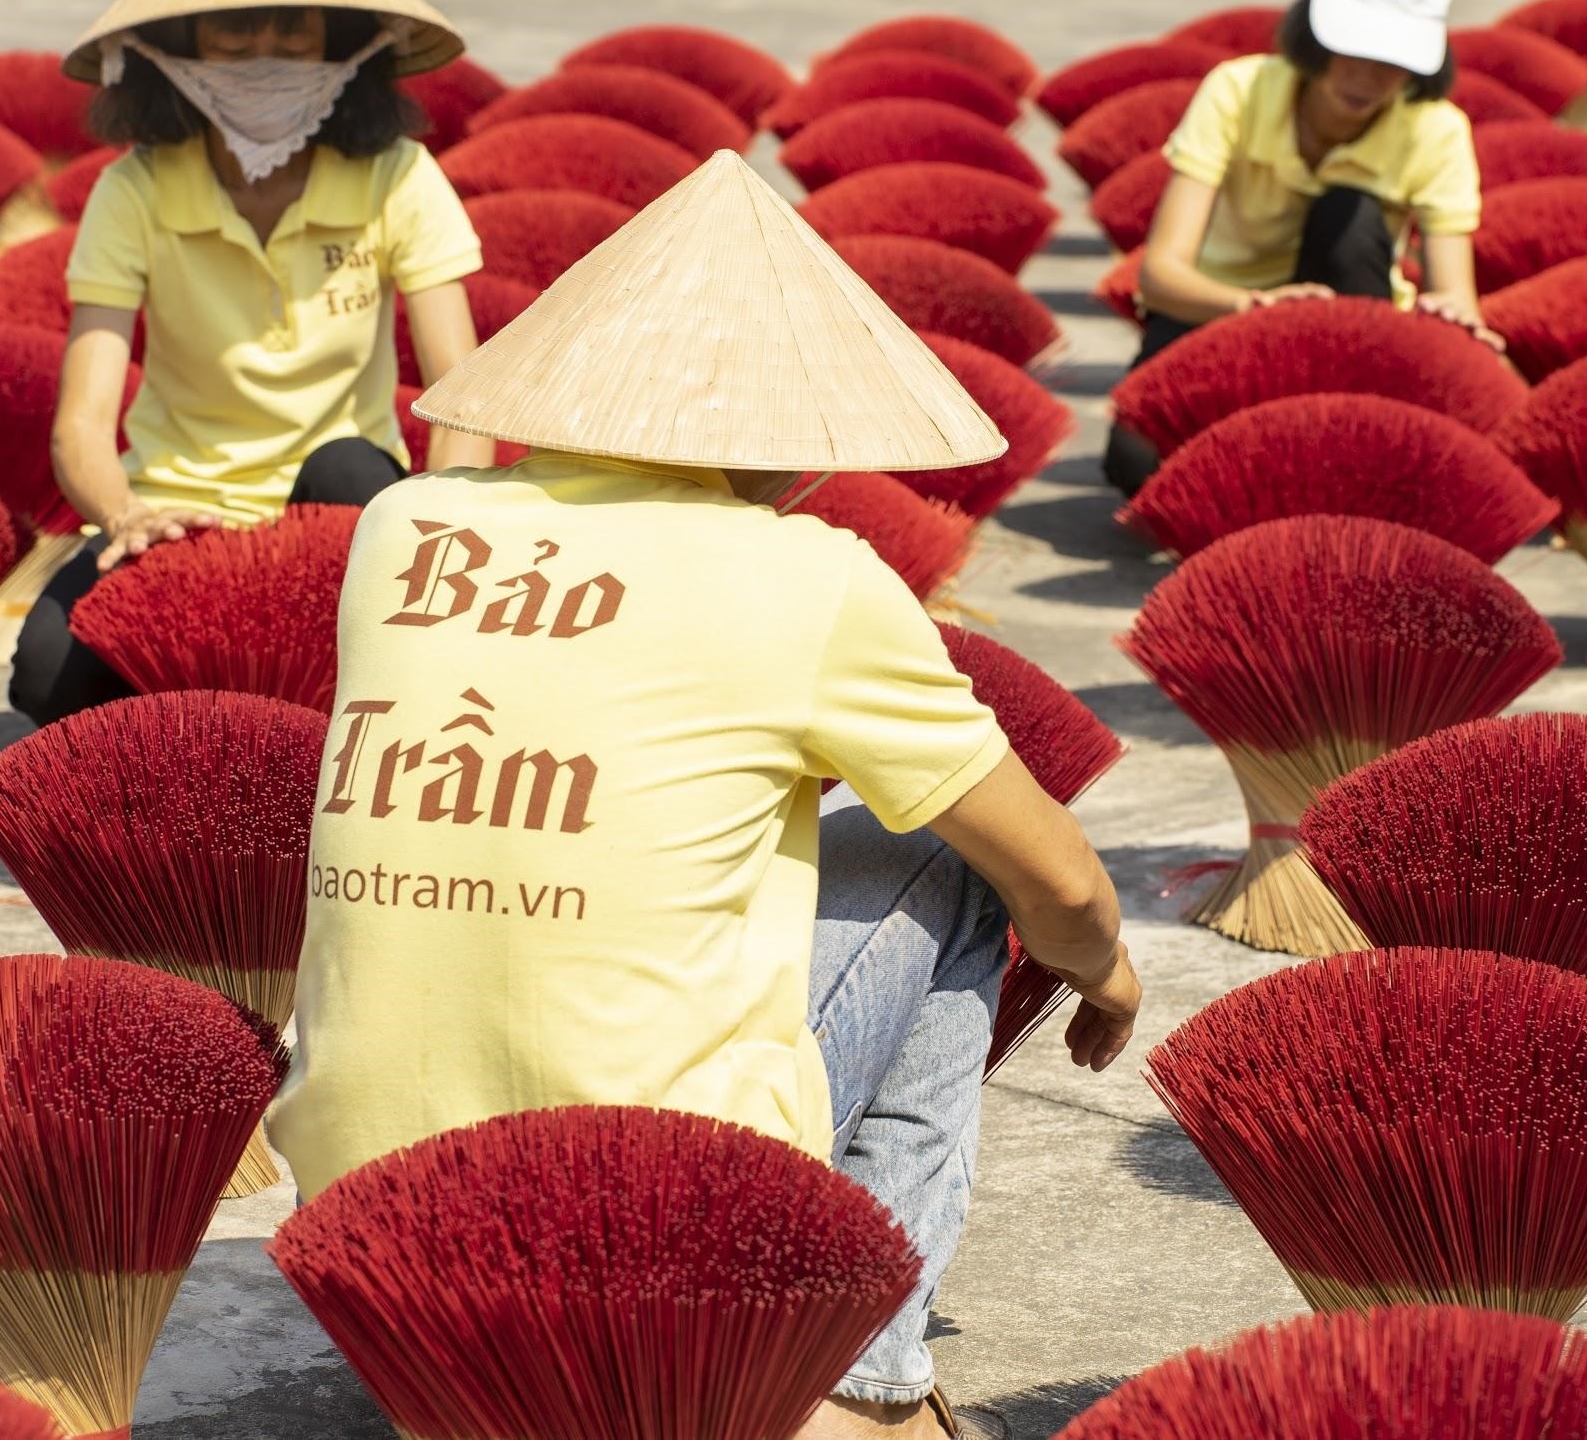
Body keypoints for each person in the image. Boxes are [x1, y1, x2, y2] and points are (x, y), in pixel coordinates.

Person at [267, 151, 1143, 1440]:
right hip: (657, 1221)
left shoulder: (404, 524)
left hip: (375, 1234)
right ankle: (866, 1390)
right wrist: (1106, 967)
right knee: (955, 866)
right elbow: (1057, 877)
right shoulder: (809, 577)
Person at [11, 0, 496, 727]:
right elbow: (80, 422)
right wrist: (126, 514)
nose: (265, 54)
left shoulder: (397, 176)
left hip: (339, 511)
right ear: (175, 50)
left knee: (350, 467)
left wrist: (438, 535)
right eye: (234, 32)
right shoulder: (135, 191)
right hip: (178, 506)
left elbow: (465, 393)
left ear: (343, 45)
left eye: (292, 30)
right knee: (45, 678)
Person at [1103, 0, 1484, 496]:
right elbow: (1161, 275)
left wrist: (1454, 318)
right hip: (1221, 306)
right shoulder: (1238, 90)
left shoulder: (1437, 129)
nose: (1367, 76)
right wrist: (1255, 307)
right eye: (1352, 48)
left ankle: (1344, 440)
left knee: (1348, 213)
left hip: (1354, 325)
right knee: (1137, 467)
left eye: (1393, 60)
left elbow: (1455, 295)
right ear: (1314, 34)